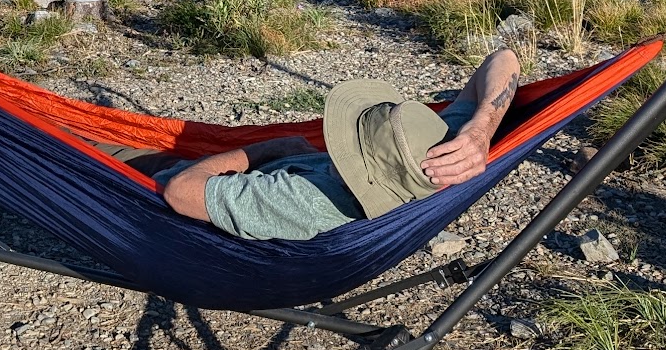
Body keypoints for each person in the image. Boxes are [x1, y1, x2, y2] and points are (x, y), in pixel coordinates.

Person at [158, 47, 522, 242]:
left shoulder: (304, 201)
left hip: (154, 192)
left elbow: (180, 192)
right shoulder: (430, 156)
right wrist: (480, 131)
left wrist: (266, 150)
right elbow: (503, 59)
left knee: (122, 158)